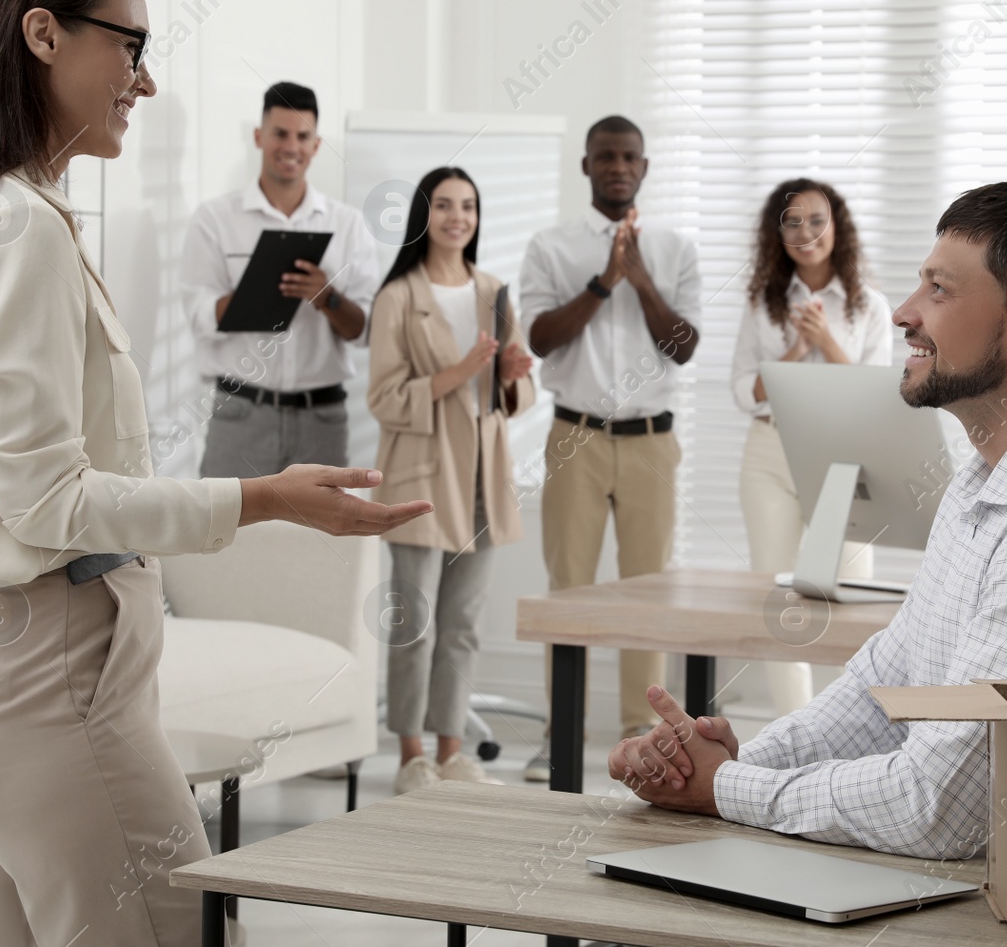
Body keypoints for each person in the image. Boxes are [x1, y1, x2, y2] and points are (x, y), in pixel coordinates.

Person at [0, 0, 429, 945]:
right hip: (50, 680)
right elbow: (46, 501)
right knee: (179, 928)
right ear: (42, 34)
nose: (145, 79)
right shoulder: (22, 232)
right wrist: (262, 496)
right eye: (128, 44)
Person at [606, 180, 1007, 860]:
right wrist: (725, 765)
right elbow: (884, 688)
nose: (906, 312)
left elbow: (940, 807)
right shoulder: (984, 478)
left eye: (939, 289)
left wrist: (725, 786)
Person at [518, 115, 702, 781]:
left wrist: (640, 277)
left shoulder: (677, 247)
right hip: (576, 437)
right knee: (568, 588)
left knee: (648, 593)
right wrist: (603, 280)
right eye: (605, 157)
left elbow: (683, 346)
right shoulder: (551, 245)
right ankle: (558, 730)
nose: (617, 166)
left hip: (652, 440)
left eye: (629, 157)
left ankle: (641, 732)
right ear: (586, 166)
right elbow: (539, 339)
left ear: (645, 168)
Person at [366, 167, 535, 793]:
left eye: (467, 205)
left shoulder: (494, 289)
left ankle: (451, 751)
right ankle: (412, 756)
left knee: (463, 623)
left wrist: (512, 372)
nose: (456, 216)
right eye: (443, 205)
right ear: (424, 215)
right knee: (417, 620)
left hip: (483, 478)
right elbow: (384, 398)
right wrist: (461, 371)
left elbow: (511, 395)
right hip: (422, 476)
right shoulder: (398, 297)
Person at [731, 178, 894, 716]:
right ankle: (792, 730)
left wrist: (827, 342)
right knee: (780, 602)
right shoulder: (763, 303)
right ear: (776, 235)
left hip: (843, 460)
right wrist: (799, 347)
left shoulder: (869, 307)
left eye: (816, 220)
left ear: (837, 228)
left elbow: (873, 396)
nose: (805, 232)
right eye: (791, 222)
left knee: (853, 595)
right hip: (771, 455)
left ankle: (853, 727)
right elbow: (744, 391)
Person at [181, 80, 380, 475]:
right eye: (281, 133)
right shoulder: (215, 219)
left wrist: (327, 297)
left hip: (321, 421)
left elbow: (366, 330)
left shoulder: (348, 224)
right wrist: (257, 287)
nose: (292, 146)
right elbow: (199, 315)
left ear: (316, 145)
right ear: (259, 136)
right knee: (225, 535)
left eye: (303, 136)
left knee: (318, 537)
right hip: (240, 417)